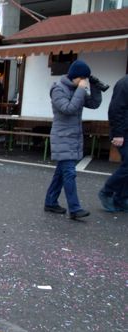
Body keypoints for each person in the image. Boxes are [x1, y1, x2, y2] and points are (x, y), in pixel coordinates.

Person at [44, 59, 103, 219]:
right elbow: (68, 109)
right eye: (82, 78)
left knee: (61, 174)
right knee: (69, 172)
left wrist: (95, 88)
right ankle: (75, 209)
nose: (84, 82)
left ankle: (50, 202)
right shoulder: (58, 89)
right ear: (75, 76)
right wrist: (81, 90)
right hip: (61, 137)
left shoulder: (78, 88)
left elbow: (93, 104)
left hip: (73, 137)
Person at [98, 74, 128, 212]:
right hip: (124, 132)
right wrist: (118, 134)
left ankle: (121, 199)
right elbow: (115, 109)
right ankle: (107, 191)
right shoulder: (124, 83)